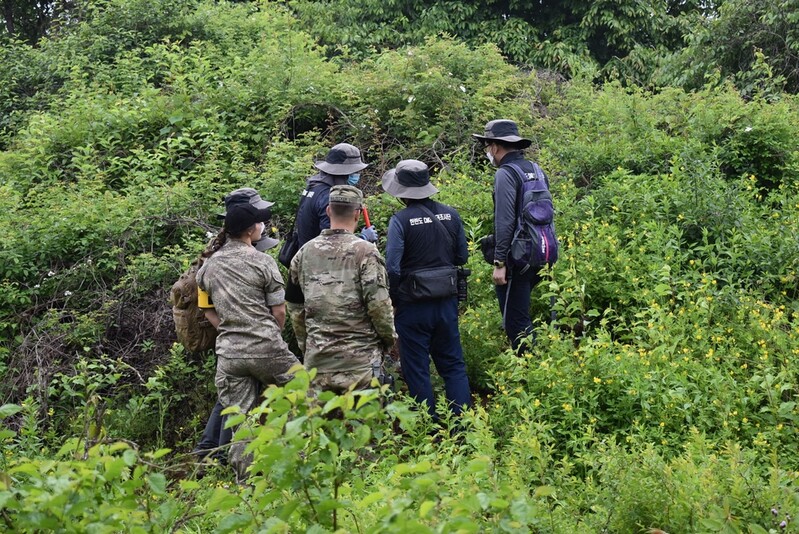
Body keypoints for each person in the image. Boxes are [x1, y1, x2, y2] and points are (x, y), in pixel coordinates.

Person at [196, 187, 300, 479]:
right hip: (266, 346)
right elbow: (279, 311)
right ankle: (302, 461)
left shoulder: (209, 265)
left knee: (240, 422)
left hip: (229, 354)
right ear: (251, 229)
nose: (263, 226)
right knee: (306, 392)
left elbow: (208, 306)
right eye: (260, 223)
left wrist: (231, 329)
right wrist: (270, 335)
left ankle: (246, 483)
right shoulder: (263, 261)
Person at [382, 160, 471, 418]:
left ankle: (427, 427)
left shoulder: (400, 221)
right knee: (453, 364)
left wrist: (394, 299)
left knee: (417, 367)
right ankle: (462, 423)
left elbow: (393, 267)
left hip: (413, 306)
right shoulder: (451, 214)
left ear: (401, 191)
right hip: (446, 301)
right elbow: (462, 256)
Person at [288, 185, 396, 393]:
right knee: (362, 414)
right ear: (358, 214)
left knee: (322, 414)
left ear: (328, 210)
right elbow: (379, 306)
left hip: (318, 362)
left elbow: (295, 307)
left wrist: (308, 345)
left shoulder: (304, 253)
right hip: (360, 363)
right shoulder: (366, 252)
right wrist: (388, 340)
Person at [191, 230, 279, 463]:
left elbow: (206, 308)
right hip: (246, 342)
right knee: (233, 402)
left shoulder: (212, 260)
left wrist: (231, 331)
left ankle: (208, 451)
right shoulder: (222, 264)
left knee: (228, 398)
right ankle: (219, 454)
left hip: (229, 342)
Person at [473, 119, 544, 352]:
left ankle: (532, 367)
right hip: (540, 251)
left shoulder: (506, 173)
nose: (487, 152)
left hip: (518, 258)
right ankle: (534, 362)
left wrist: (500, 262)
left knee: (516, 322)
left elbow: (504, 221)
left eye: (487, 146)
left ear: (495, 146)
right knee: (520, 315)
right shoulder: (535, 169)